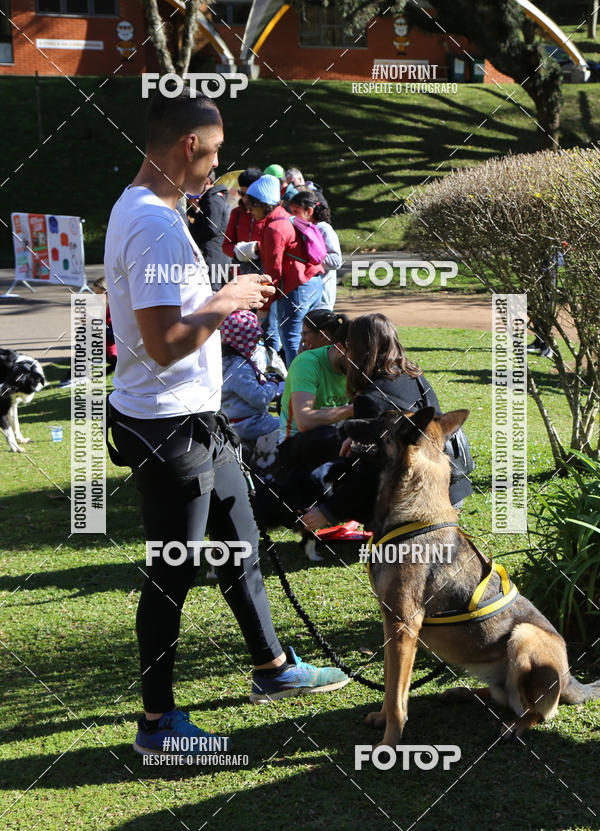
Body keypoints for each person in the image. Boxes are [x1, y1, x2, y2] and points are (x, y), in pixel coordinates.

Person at [103, 89, 349, 757]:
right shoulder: (152, 222)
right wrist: (230, 297)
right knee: (172, 572)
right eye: (211, 155)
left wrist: (217, 286)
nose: (217, 170)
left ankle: (272, 667)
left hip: (200, 422)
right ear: (186, 147)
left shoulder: (149, 208)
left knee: (240, 543)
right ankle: (157, 726)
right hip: (168, 428)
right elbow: (162, 341)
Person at [301, 314, 473, 531]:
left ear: (356, 349)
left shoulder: (371, 398)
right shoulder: (413, 375)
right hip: (449, 492)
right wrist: (358, 443)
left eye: (348, 345)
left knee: (350, 468)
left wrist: (328, 512)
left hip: (416, 508)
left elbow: (369, 473)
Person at [244, 174, 325, 366]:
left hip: (296, 289)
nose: (248, 211)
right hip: (313, 283)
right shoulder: (287, 218)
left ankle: (297, 389)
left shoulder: (274, 228)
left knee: (291, 340)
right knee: (312, 341)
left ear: (264, 204)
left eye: (252, 206)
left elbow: (273, 272)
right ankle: (313, 384)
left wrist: (263, 306)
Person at [220, 310, 281, 441]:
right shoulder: (239, 367)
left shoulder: (225, 361)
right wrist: (274, 384)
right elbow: (260, 399)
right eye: (254, 340)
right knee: (291, 425)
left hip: (234, 421)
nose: (255, 344)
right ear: (245, 340)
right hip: (247, 424)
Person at [290, 190, 341, 310]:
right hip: (305, 296)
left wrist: (309, 255)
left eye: (296, 212)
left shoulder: (324, 229)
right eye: (291, 212)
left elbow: (336, 261)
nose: (292, 216)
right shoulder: (301, 229)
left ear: (309, 211)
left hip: (322, 299)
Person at [187, 169, 231, 291]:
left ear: (206, 181)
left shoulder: (212, 200)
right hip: (216, 256)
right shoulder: (214, 199)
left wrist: (191, 231)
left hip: (213, 258)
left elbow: (211, 228)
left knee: (212, 293)